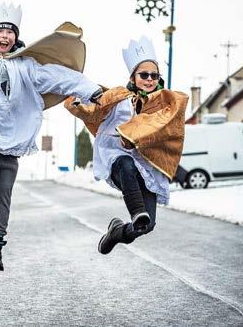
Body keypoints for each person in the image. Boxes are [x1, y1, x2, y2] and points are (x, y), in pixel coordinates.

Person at [0, 3, 103, 270]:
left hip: (13, 130)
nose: (4, 37)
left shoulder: (27, 66)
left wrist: (92, 91)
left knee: (4, 188)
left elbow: (61, 77)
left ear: (16, 36)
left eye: (9, 32)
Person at [64, 36, 188, 254]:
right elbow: (94, 108)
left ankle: (117, 232)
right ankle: (136, 211)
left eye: (154, 75)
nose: (149, 79)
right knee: (125, 163)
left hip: (148, 166)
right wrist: (78, 106)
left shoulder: (164, 107)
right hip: (116, 159)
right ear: (133, 76)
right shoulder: (119, 96)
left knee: (146, 226)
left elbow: (170, 133)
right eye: (144, 75)